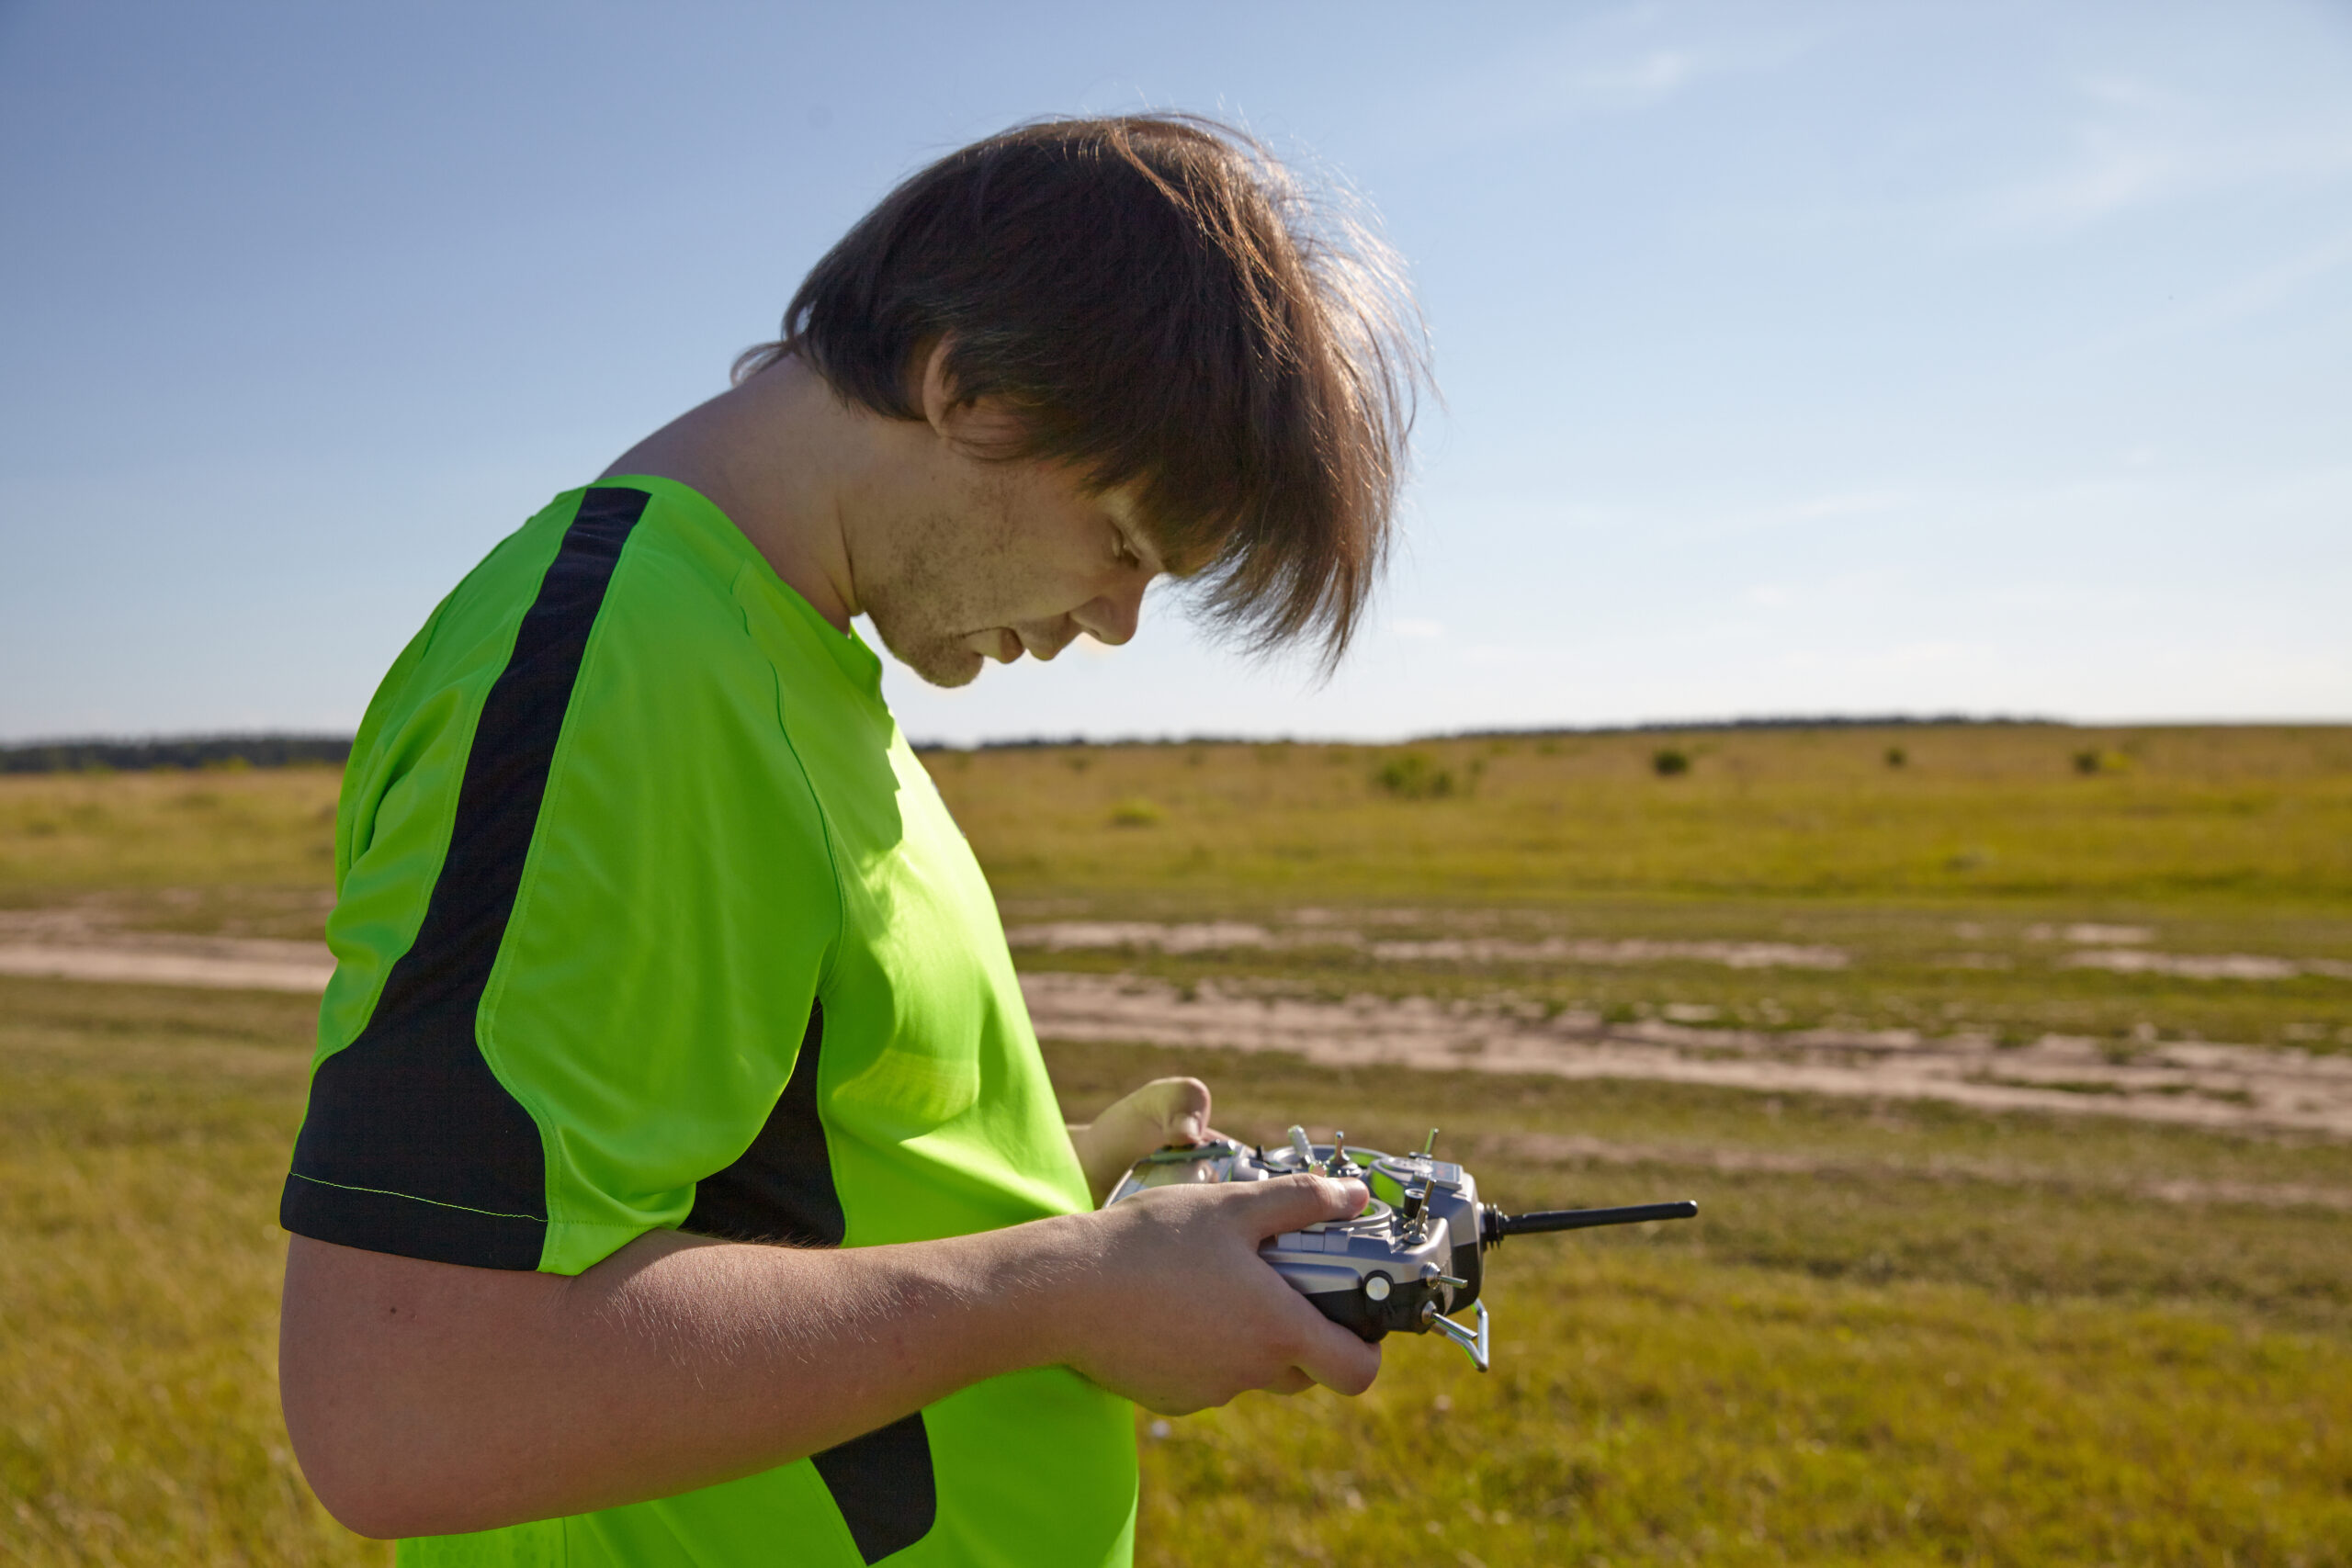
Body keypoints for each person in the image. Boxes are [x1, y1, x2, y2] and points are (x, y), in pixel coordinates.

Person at [276, 113, 1428, 1567]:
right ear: (969, 390)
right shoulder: (620, 675)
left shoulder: (795, 670)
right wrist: (1060, 1285)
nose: (1120, 621)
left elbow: (745, 1175)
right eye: (1125, 541)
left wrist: (1037, 1182)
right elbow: (405, 1405)